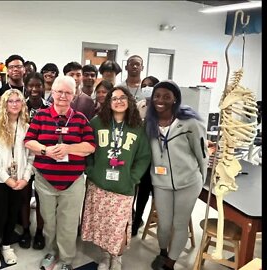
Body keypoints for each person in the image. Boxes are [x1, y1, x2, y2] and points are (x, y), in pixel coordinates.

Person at [24, 76, 95, 270]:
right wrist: (46, 150)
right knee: (49, 221)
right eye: (59, 91)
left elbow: (90, 146)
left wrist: (69, 149)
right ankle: (51, 251)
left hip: (73, 182)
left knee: (69, 223)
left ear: (74, 95)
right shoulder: (40, 116)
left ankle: (66, 259)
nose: (63, 96)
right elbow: (29, 141)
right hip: (45, 180)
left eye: (68, 92)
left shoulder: (80, 119)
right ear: (52, 93)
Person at [81, 86, 151, 270]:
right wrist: (90, 170)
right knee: (102, 224)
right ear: (108, 103)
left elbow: (144, 156)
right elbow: (86, 148)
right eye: (114, 98)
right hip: (99, 184)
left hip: (124, 186)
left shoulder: (137, 127)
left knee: (119, 226)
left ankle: (117, 257)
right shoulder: (96, 123)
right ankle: (105, 256)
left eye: (123, 97)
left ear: (129, 101)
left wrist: (133, 177)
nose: (118, 101)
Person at [146, 80, 208, 270]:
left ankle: (170, 263)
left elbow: (202, 154)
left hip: (188, 183)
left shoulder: (190, 123)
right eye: (157, 96)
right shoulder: (148, 123)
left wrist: (201, 179)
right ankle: (163, 252)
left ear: (175, 99)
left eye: (166, 96)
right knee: (164, 224)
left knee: (180, 223)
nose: (160, 100)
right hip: (161, 182)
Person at [0, 89, 34, 268]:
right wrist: (7, 179)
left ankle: (6, 245)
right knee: (0, 215)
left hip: (20, 180)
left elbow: (31, 156)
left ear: (22, 104)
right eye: (10, 101)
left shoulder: (26, 126)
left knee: (13, 213)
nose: (14, 104)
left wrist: (26, 178)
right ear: (4, 104)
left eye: (17, 101)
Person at [18, 72, 50, 250]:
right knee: (24, 197)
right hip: (23, 157)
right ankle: (25, 230)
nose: (35, 89)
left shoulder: (49, 107)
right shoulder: (19, 106)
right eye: (31, 85)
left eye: (38, 85)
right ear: (25, 86)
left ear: (43, 87)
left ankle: (39, 231)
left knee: (40, 198)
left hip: (43, 159)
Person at [131, 75, 159, 236]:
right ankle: (136, 219)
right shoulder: (139, 105)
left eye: (150, 85)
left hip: (156, 158)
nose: (147, 88)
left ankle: (159, 223)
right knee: (139, 191)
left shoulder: (160, 108)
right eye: (144, 85)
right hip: (139, 155)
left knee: (152, 192)